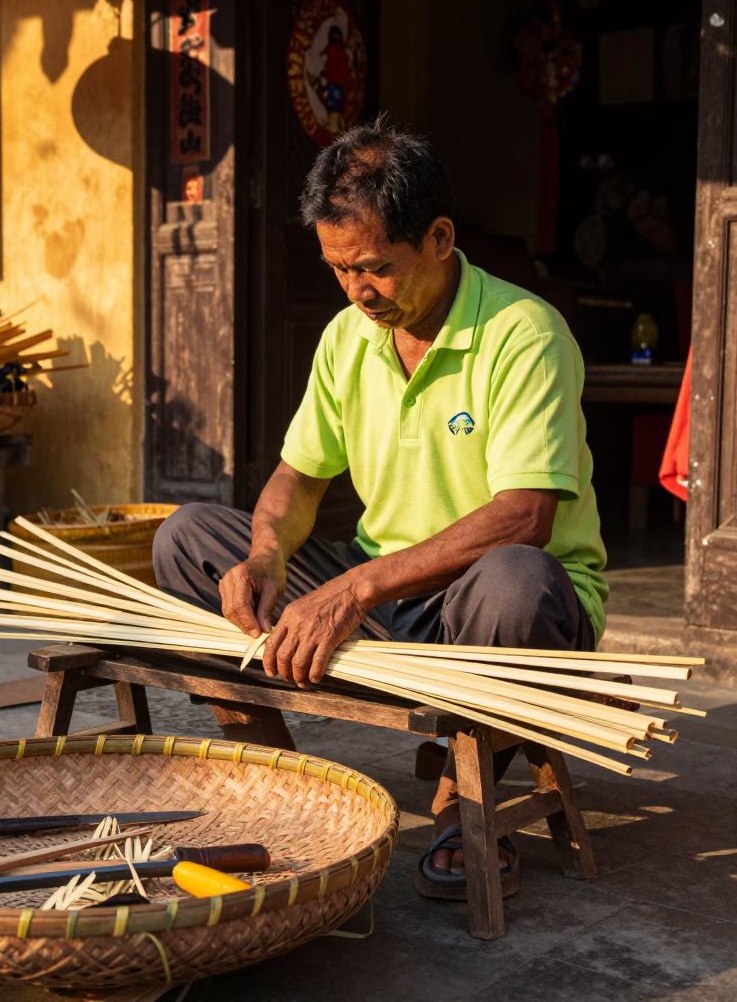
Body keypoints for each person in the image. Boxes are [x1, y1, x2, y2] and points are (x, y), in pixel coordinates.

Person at [152, 118, 608, 899]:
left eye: (375, 269)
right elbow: (297, 479)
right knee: (187, 538)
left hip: (490, 604)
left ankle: (461, 797)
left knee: (516, 581)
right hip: (386, 592)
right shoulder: (347, 338)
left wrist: (353, 590)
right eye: (338, 269)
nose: (357, 292)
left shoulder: (524, 334)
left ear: (439, 238)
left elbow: (525, 516)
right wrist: (266, 555)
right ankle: (289, 783)